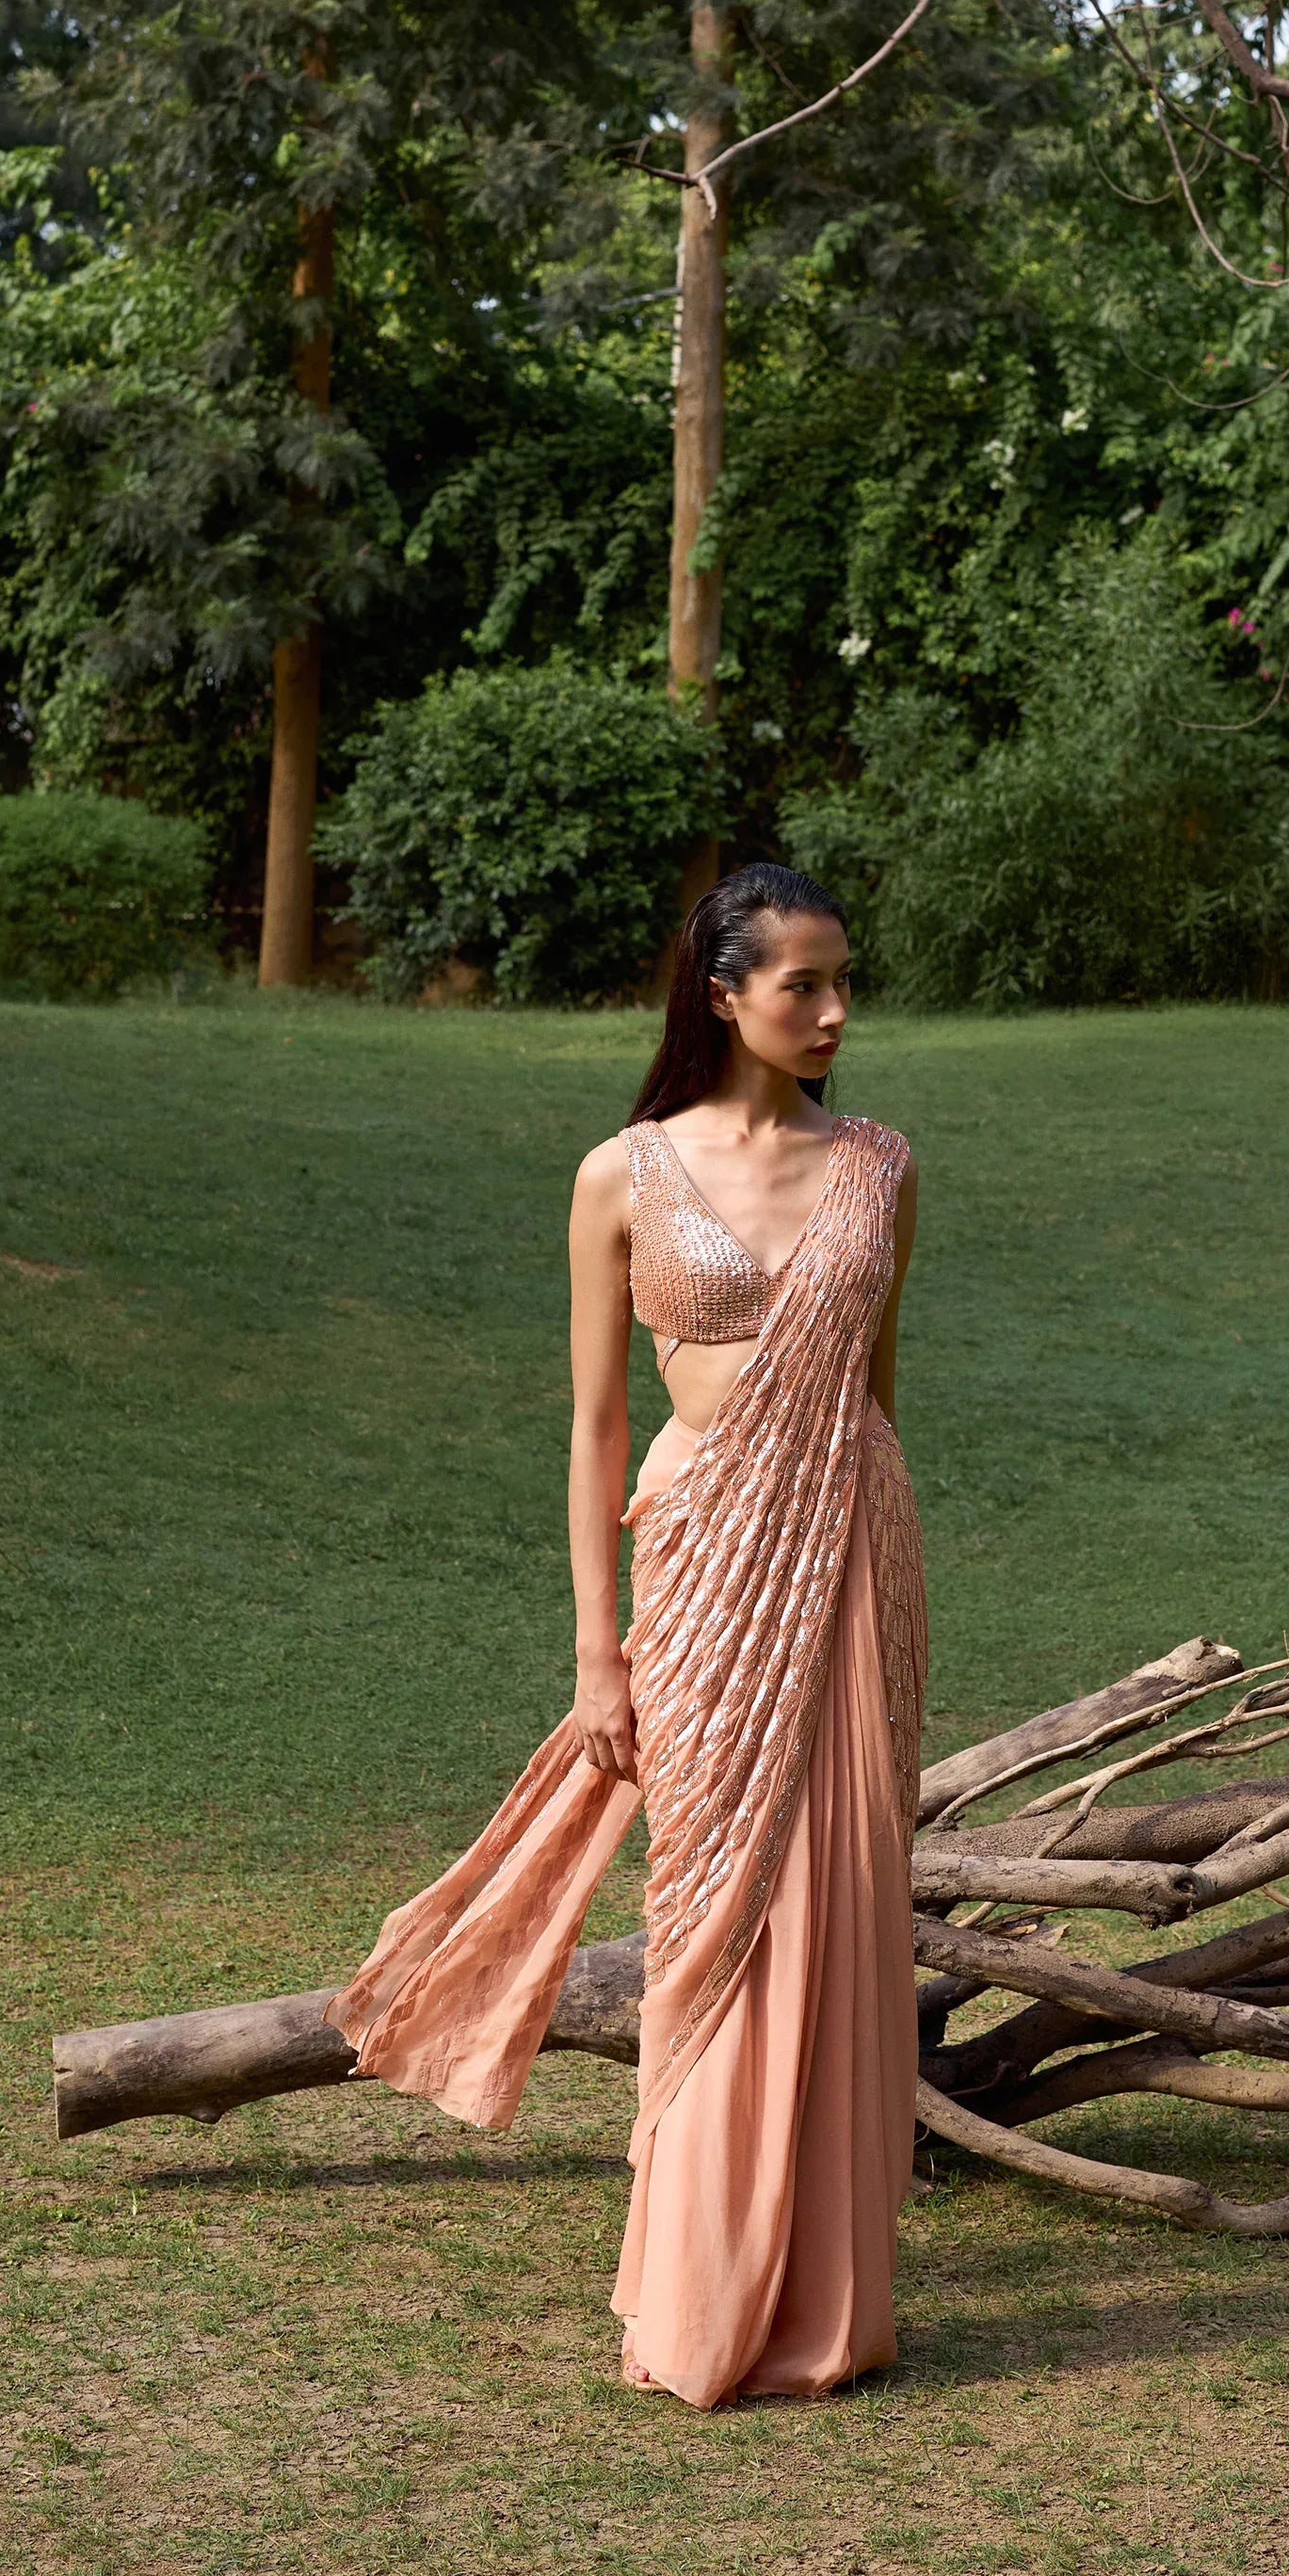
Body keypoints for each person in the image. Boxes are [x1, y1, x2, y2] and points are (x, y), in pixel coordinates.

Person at [333, 863, 926, 2409]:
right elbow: (597, 1428)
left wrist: (850, 1556)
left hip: (853, 1558)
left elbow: (871, 1393)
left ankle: (829, 2296)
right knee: (708, 1906)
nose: (837, 1008)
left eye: (845, 978)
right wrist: (601, 1654)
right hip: (700, 1567)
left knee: (844, 1897)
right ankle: (702, 2292)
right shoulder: (621, 1173)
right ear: (720, 991)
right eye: (803, 982)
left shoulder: (880, 1163)